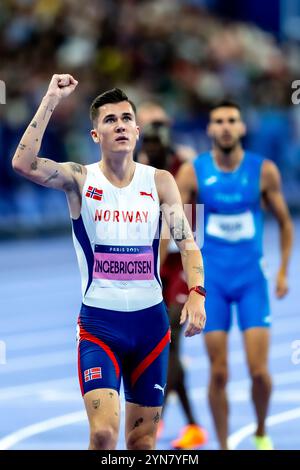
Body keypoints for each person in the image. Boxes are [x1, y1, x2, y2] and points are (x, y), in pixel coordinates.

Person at [12, 74, 207, 451]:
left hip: (151, 326)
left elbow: (188, 244)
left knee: (142, 442)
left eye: (125, 119)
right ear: (95, 135)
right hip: (101, 326)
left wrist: (197, 292)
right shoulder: (79, 179)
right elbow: (23, 163)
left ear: (136, 130)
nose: (119, 125)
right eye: (109, 120)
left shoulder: (161, 181)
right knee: (103, 435)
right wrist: (51, 99)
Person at [176, 100, 293, 450]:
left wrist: (284, 270)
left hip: (251, 282)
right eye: (218, 121)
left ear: (242, 128)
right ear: (209, 130)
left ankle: (260, 431)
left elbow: (286, 224)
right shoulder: (192, 173)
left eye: (232, 121)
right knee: (219, 372)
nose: (226, 127)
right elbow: (177, 229)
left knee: (259, 372)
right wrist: (177, 274)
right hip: (213, 284)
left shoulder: (264, 171)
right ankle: (225, 446)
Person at [137, 118, 208, 449]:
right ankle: (170, 418)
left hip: (179, 269)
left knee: (170, 346)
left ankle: (184, 423)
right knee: (163, 347)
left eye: (155, 146)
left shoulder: (183, 171)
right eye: (146, 148)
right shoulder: (142, 170)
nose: (149, 153)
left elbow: (185, 231)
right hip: (157, 269)